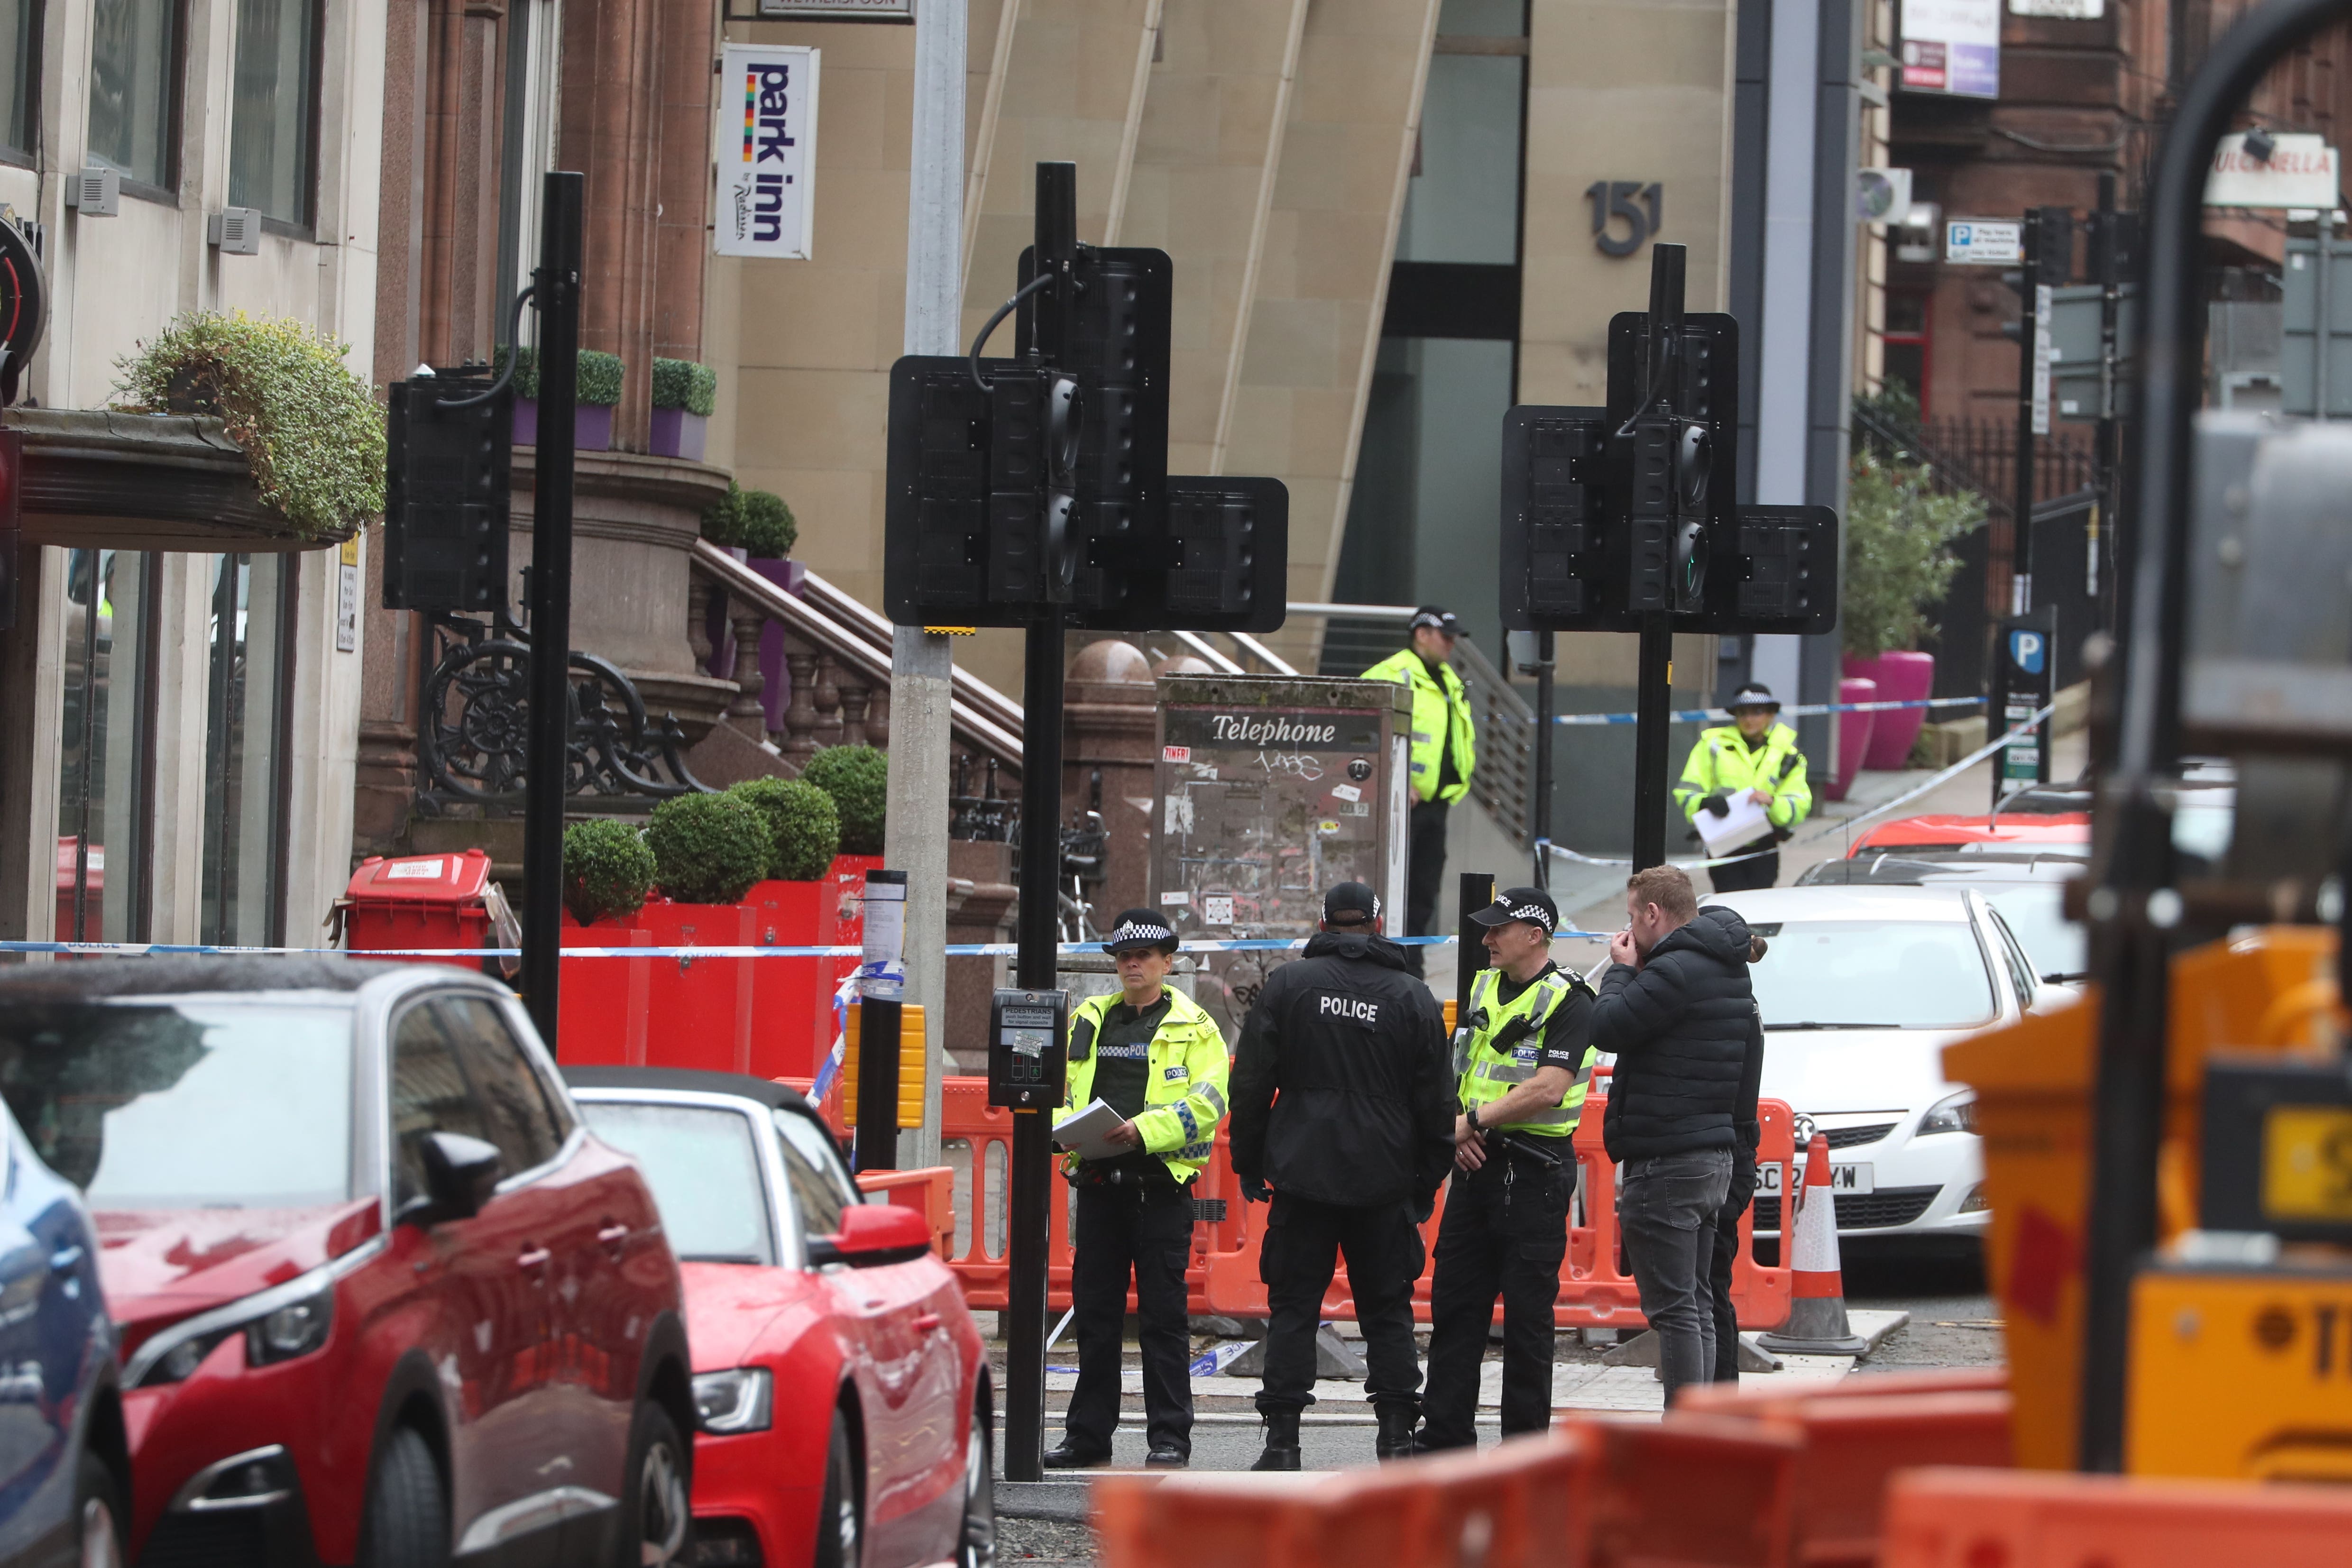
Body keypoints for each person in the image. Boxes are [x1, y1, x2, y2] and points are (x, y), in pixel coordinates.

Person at [1228, 882, 1456, 1469]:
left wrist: (1250, 1161)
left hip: (1302, 1174)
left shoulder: (1289, 985)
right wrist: (1424, 1184)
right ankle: (1397, 1439)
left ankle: (1281, 1442)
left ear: (1324, 924)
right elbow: (1437, 1104)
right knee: (1387, 1310)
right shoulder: (1412, 997)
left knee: (1294, 1307)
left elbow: (1251, 1082)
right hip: (1383, 1180)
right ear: (1378, 924)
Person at [1044, 910, 1232, 1470]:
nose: (1132, 963)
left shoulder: (1196, 1026)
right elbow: (1061, 1083)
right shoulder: (1090, 1016)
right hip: (1099, 1185)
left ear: (1167, 962)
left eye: (1144, 956)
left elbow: (1208, 1103)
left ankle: (1169, 1438)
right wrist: (1060, 1129)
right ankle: (1087, 1436)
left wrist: (1143, 1131)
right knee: (1096, 1317)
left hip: (1159, 1190)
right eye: (1124, 955)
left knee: (1163, 1320)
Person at [1416, 886, 1594, 1453]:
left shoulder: (1570, 1000)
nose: (1488, 938)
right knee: (1455, 1309)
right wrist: (1460, 1123)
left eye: (1499, 929)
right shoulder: (1482, 985)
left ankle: (1523, 1452)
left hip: (1535, 1173)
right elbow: (1456, 1066)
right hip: (1476, 1166)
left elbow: (1549, 1087)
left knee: (1527, 1323)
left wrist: (1471, 1124)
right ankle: (1445, 1439)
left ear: (1535, 935)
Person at [1592, 864, 1757, 1404]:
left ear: (1652, 914)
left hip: (1666, 1158)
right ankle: (1702, 1427)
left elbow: (1608, 1026)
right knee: (1698, 1301)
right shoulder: (1725, 967)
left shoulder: (1673, 971)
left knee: (1675, 1310)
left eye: (1631, 916)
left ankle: (1685, 1433)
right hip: (1711, 1155)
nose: (1628, 929)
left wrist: (1620, 970)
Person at [1362, 607, 1477, 973]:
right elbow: (1363, 730)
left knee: (1423, 891)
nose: (1451, 645)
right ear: (1422, 634)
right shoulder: (1392, 673)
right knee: (1391, 890)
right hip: (1400, 804)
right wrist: (1393, 782)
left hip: (1436, 803)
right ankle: (1386, 964)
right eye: (1445, 637)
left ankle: (1413, 966)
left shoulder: (1448, 679)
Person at [1676, 682, 1812, 893]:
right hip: (1723, 842)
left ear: (1770, 715)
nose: (1749, 719)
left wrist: (1773, 803)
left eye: (1757, 712)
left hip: (1764, 844)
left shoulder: (1789, 754)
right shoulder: (1712, 745)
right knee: (1727, 908)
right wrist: (1704, 802)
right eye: (1743, 713)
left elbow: (1799, 804)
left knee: (1758, 908)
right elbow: (1687, 791)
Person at [1709, 991, 1767, 1384]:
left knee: (1707, 1292)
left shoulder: (1719, 998)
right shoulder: (1739, 997)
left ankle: (1716, 1408)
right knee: (1708, 1289)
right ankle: (1717, 1406)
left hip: (1720, 1155)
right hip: (1731, 1153)